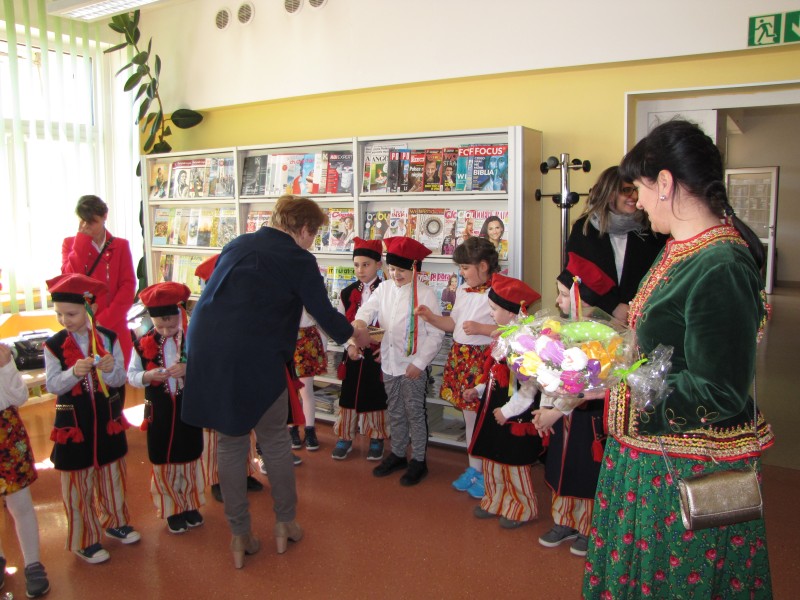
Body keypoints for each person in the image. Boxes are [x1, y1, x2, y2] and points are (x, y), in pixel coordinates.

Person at [582, 120, 774, 599]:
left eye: (640, 190)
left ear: (665, 183)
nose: (639, 203)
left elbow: (720, 390)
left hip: (686, 468)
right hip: (650, 458)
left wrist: (620, 386)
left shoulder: (721, 264)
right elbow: (663, 347)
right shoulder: (680, 249)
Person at [182, 195, 371, 569]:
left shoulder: (238, 243)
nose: (312, 243)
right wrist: (354, 334)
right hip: (254, 354)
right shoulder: (298, 259)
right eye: (313, 235)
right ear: (304, 229)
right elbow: (322, 311)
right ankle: (286, 524)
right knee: (274, 440)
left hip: (207, 349)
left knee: (231, 443)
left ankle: (239, 535)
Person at [43, 273, 141, 565]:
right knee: (78, 483)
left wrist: (109, 369)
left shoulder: (108, 339)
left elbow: (119, 380)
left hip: (105, 419)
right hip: (74, 424)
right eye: (59, 314)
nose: (64, 320)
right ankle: (84, 539)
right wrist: (73, 372)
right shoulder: (54, 345)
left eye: (71, 314)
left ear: (91, 309)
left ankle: (116, 521)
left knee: (112, 475)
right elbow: (52, 385)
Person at [533, 258, 617, 557]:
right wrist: (545, 409)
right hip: (560, 416)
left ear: (584, 297)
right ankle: (563, 520)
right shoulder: (563, 330)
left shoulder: (604, 336)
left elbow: (590, 386)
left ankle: (588, 526)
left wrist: (555, 412)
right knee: (561, 467)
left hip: (586, 418)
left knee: (585, 471)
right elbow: (550, 374)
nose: (557, 301)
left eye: (563, 294)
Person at [353, 236, 445, 486]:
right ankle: (398, 453)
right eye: (392, 269)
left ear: (415, 269)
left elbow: (436, 334)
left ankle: (419, 460)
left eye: (401, 270)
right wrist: (360, 322)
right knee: (395, 410)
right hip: (389, 363)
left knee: (414, 412)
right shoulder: (384, 289)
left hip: (413, 367)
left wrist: (420, 363)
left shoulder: (425, 293)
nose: (396, 274)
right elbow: (368, 310)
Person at [415, 237, 500, 498]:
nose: (461, 273)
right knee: (469, 418)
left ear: (483, 266)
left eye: (465, 267)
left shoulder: (498, 291)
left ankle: (490, 475)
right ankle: (475, 469)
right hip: (461, 358)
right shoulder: (463, 290)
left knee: (486, 421)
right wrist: (431, 317)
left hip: (484, 362)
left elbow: (511, 329)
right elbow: (453, 324)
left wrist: (482, 328)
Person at [191, 254, 273, 504]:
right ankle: (218, 479)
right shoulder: (205, 313)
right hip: (216, 382)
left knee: (244, 428)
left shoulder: (243, 307)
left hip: (241, 377)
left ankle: (245, 472)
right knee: (217, 435)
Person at [464, 273, 542, 529]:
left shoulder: (524, 344)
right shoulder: (503, 336)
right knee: (492, 456)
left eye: (494, 309)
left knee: (512, 461)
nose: (490, 313)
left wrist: (508, 411)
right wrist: (478, 389)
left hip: (512, 414)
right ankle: (495, 500)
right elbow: (494, 373)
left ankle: (521, 508)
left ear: (511, 312)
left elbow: (529, 388)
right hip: (493, 408)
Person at [127, 282, 205, 535]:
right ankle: (172, 508)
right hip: (159, 413)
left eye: (171, 325)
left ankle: (190, 503)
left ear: (180, 316)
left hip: (187, 409)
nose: (165, 330)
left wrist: (188, 369)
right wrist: (148, 376)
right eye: (160, 326)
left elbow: (208, 370)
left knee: (189, 455)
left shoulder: (193, 341)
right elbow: (132, 375)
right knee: (164, 459)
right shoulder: (142, 344)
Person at [563, 165, 665, 324]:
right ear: (609, 193)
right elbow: (574, 276)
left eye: (636, 189)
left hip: (641, 319)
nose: (634, 196)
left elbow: (661, 277)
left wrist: (635, 309)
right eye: (626, 190)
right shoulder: (586, 228)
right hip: (596, 320)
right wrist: (613, 306)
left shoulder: (653, 229)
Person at [61, 195, 136, 368]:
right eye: (83, 221)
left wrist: (103, 320)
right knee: (87, 378)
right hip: (81, 326)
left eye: (92, 221)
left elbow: (128, 287)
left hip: (114, 324)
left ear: (104, 217)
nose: (87, 226)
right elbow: (68, 280)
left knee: (117, 377)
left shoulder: (120, 246)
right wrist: (81, 243)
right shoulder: (70, 244)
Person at [331, 237, 389, 461]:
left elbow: (390, 323)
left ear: (378, 264)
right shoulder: (347, 293)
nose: (360, 270)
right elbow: (340, 323)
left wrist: (374, 340)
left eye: (366, 264)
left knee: (375, 395)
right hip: (353, 352)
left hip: (376, 352)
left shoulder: (387, 290)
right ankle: (345, 435)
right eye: (356, 265)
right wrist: (350, 345)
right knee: (348, 394)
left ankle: (376, 436)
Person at [0, 344, 50, 597]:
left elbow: (19, 397)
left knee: (20, 504)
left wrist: (5, 367)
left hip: (6, 434)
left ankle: (33, 564)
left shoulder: (2, 355)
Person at [288, 309, 327, 452]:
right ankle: (292, 429)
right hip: (286, 338)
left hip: (307, 340)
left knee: (306, 390)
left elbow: (321, 317)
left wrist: (323, 347)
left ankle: (310, 430)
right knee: (290, 390)